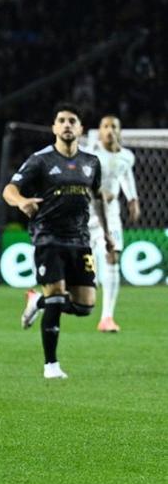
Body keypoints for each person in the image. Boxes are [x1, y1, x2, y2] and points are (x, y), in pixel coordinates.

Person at [3, 103, 114, 379]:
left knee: (85, 306)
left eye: (72, 121)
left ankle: (36, 302)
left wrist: (109, 234)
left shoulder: (91, 163)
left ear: (80, 129)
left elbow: (97, 198)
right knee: (56, 297)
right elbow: (9, 189)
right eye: (61, 120)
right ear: (54, 127)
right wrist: (21, 202)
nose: (66, 125)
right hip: (47, 237)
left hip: (80, 238)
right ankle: (51, 365)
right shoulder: (40, 160)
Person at [84, 115, 140, 332]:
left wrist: (132, 199)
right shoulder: (91, 154)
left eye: (113, 127)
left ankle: (107, 317)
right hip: (87, 212)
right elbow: (83, 179)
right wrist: (98, 191)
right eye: (105, 126)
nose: (109, 131)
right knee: (82, 266)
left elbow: (125, 176)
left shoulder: (127, 156)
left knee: (112, 254)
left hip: (111, 212)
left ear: (119, 131)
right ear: (99, 131)